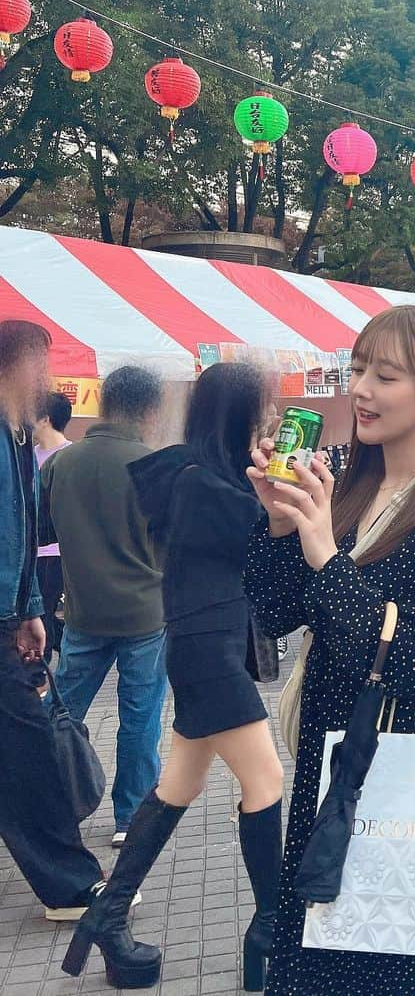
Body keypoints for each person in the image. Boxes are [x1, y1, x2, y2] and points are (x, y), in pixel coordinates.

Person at [246, 306, 415, 995]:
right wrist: (279, 525)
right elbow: (273, 616)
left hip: (407, 772)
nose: (360, 389)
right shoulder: (347, 487)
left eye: (384, 375)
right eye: (357, 369)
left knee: (404, 958)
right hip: (327, 770)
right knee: (324, 957)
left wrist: (327, 557)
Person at [62, 361, 282, 990]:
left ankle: (107, 916)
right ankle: (268, 932)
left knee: (178, 785)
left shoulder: (195, 473)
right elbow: (264, 545)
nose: (269, 419)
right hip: (209, 654)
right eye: (260, 408)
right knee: (264, 783)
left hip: (198, 649)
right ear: (238, 413)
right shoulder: (203, 484)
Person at [0, 321, 105, 923]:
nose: (47, 376)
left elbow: (19, 535)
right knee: (28, 751)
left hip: (13, 614)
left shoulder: (17, 434)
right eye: (38, 363)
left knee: (26, 746)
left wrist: (30, 612)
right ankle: (70, 885)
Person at [43, 366, 169, 849]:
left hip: (82, 613)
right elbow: (173, 542)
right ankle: (130, 816)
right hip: (146, 615)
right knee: (139, 718)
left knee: (65, 713)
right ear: (150, 410)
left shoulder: (61, 463)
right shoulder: (155, 465)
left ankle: (55, 804)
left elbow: (44, 534)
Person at [33, 390, 73, 664]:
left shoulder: (71, 456)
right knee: (38, 615)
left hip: (55, 552)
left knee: (43, 612)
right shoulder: (26, 453)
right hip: (28, 552)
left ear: (45, 419)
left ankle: (41, 679)